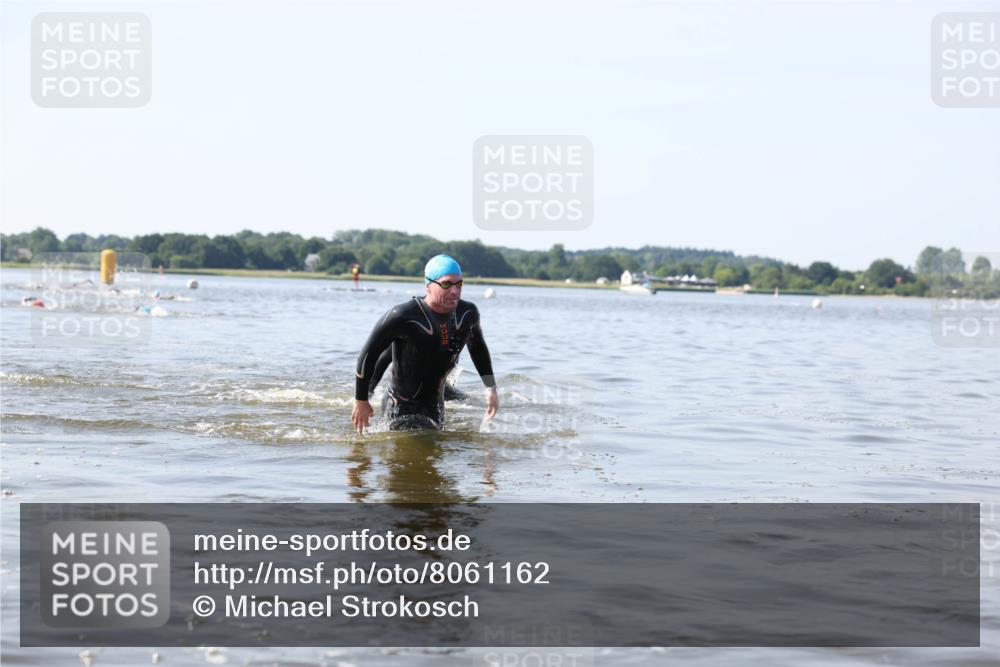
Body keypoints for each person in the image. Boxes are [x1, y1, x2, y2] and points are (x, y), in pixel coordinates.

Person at [352, 255, 498, 433]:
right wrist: (361, 399)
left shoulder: (468, 314)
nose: (454, 290)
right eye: (446, 284)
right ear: (428, 285)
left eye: (459, 284)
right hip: (401, 407)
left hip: (435, 406)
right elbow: (369, 355)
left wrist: (490, 388)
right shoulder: (404, 315)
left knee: (436, 447)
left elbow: (478, 350)